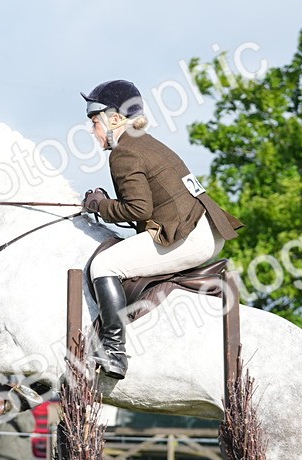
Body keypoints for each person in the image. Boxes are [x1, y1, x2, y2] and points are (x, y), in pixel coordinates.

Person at [80, 79, 244, 380]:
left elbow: (138, 210)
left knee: (104, 265)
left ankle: (113, 350)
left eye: (94, 122)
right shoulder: (144, 142)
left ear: (114, 119)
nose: (92, 130)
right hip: (203, 229)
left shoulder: (124, 152)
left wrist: (99, 206)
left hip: (189, 236)